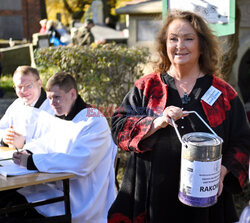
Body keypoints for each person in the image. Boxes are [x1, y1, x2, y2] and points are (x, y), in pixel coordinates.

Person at [108, 10, 250, 223]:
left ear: (201, 45)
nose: (180, 45)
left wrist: (222, 171)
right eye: (173, 39)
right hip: (152, 199)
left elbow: (243, 141)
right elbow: (119, 127)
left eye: (188, 38)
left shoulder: (223, 94)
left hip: (205, 200)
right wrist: (156, 122)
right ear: (164, 44)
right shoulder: (147, 87)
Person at [10, 72, 117, 223]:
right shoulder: (62, 116)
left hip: (84, 203)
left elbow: (80, 163)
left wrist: (32, 161)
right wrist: (29, 151)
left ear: (73, 94)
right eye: (49, 98)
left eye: (57, 97)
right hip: (61, 191)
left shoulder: (94, 120)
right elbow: (46, 142)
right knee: (10, 198)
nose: (52, 103)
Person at [0, 66, 54, 149]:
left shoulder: (53, 107)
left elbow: (56, 141)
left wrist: (25, 142)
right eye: (19, 87)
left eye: (29, 86)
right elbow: (2, 127)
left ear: (39, 83)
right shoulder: (17, 104)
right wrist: (5, 138)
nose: (23, 91)